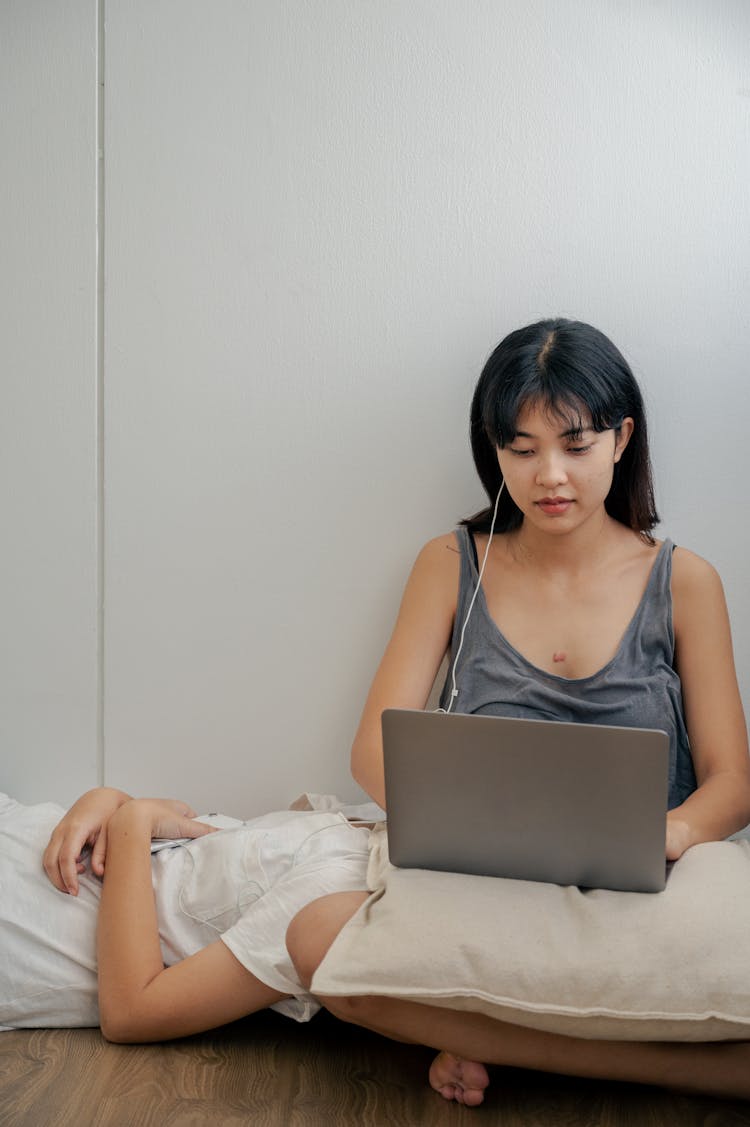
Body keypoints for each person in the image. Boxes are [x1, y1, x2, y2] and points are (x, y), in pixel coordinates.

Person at [284, 317, 750, 1104]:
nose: (549, 476)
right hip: (486, 874)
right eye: (522, 449)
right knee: (312, 936)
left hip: (645, 882)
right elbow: (373, 749)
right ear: (493, 449)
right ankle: (669, 1067)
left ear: (621, 438)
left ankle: (483, 1037)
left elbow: (732, 781)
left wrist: (674, 831)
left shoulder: (687, 581)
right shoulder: (450, 563)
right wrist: (458, 826)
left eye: (574, 444)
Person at [0, 785, 378, 1041]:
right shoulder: (361, 824)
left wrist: (131, 820)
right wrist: (109, 799)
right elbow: (182, 856)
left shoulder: (336, 897)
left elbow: (132, 1011)